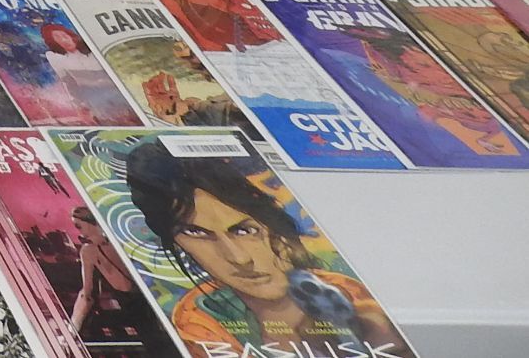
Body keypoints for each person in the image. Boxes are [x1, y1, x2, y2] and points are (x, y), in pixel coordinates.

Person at [126, 140, 401, 353]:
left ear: (271, 225)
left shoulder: (349, 294)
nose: (239, 258)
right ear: (177, 243)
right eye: (197, 233)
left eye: (245, 230)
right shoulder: (198, 321)